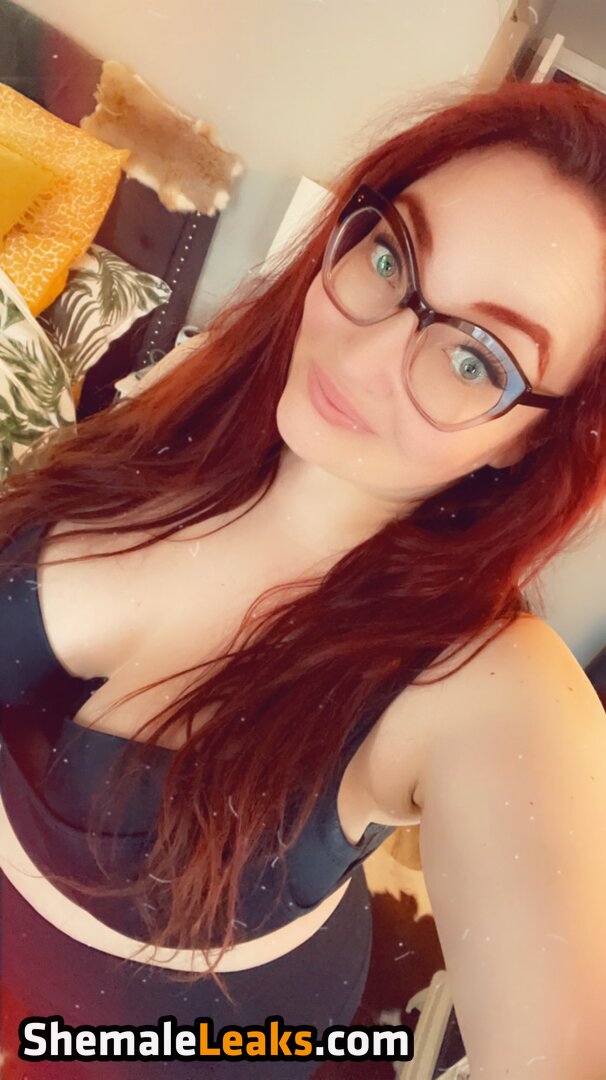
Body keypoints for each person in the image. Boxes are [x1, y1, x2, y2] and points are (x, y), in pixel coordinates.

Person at [1, 76, 606, 1080]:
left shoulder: (487, 686)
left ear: (533, 438)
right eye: (389, 256)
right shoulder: (185, 412)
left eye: (474, 360)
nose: (364, 355)